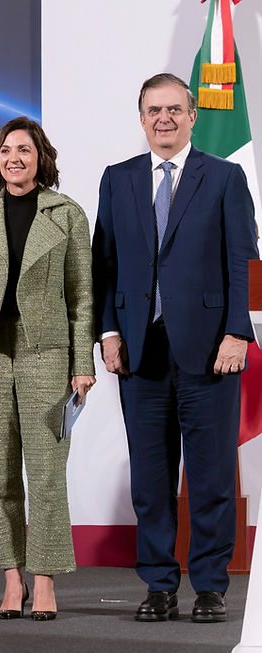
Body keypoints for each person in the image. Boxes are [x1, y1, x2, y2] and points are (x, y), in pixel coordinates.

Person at [92, 73, 258, 623]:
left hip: (212, 350)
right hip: (139, 352)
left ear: (193, 116)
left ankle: (210, 586)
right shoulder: (117, 180)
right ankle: (159, 585)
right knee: (151, 478)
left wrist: (238, 331)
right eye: (152, 110)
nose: (163, 119)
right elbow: (105, 265)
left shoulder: (226, 177)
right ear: (141, 119)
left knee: (210, 477)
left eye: (173, 110)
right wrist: (108, 333)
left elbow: (242, 262)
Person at [0, 117, 95, 620]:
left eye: (25, 150)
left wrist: (82, 364)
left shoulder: (67, 214)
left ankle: (45, 580)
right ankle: (12, 581)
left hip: (47, 355)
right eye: (7, 150)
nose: (15, 158)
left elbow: (81, 296)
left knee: (47, 473)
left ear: (41, 158)